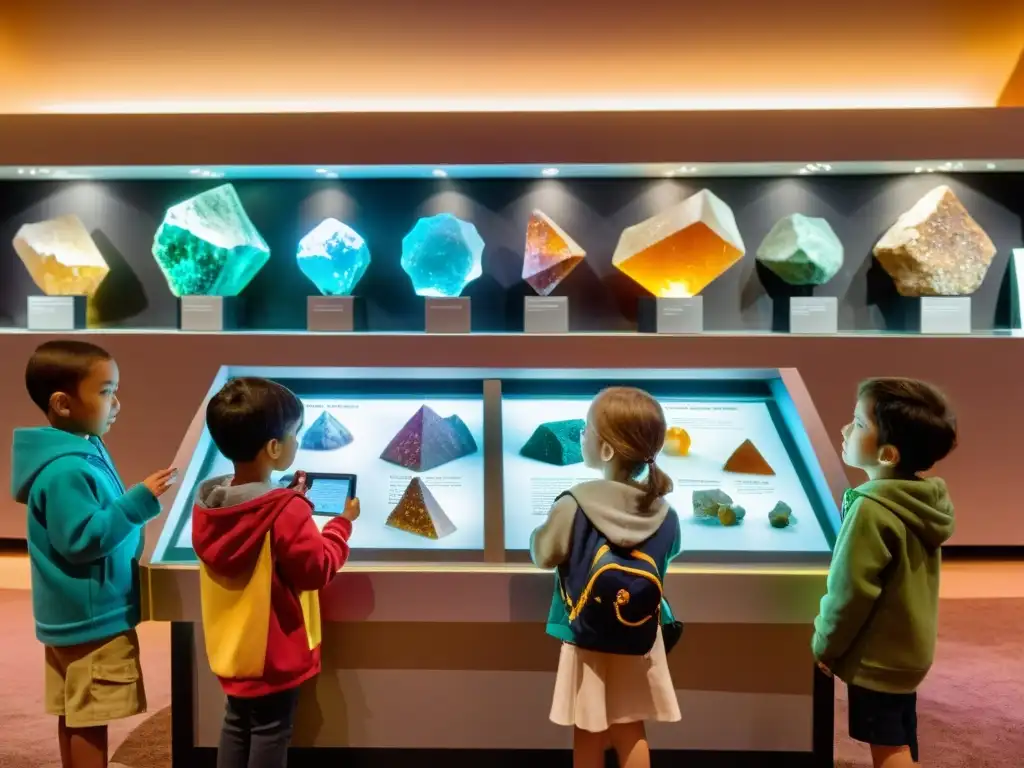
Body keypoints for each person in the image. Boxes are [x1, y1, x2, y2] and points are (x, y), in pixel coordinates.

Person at [11, 340, 178, 768]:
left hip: (76, 615)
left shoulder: (78, 449)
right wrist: (139, 500)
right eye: (105, 392)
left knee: (77, 711)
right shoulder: (68, 468)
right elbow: (83, 540)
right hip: (91, 621)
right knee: (90, 718)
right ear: (63, 404)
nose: (116, 403)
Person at [192, 377, 358, 768]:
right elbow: (316, 568)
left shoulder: (211, 504)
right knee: (272, 731)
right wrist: (340, 525)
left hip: (233, 649)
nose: (297, 443)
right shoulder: (286, 511)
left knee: (236, 722)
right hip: (274, 651)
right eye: (294, 435)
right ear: (274, 448)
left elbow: (257, 516)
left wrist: (289, 495)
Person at [530, 387, 681, 768]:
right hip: (641, 633)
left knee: (588, 727)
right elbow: (669, 553)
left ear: (607, 450)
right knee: (631, 727)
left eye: (585, 430)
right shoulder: (665, 512)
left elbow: (544, 554)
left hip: (588, 634)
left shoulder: (574, 501)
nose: (580, 436)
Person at [813, 378, 958, 768]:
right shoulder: (922, 500)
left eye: (859, 424)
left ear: (889, 453)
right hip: (906, 652)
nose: (845, 429)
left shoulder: (871, 509)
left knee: (888, 750)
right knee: (901, 737)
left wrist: (825, 644)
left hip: (876, 657)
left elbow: (850, 591)